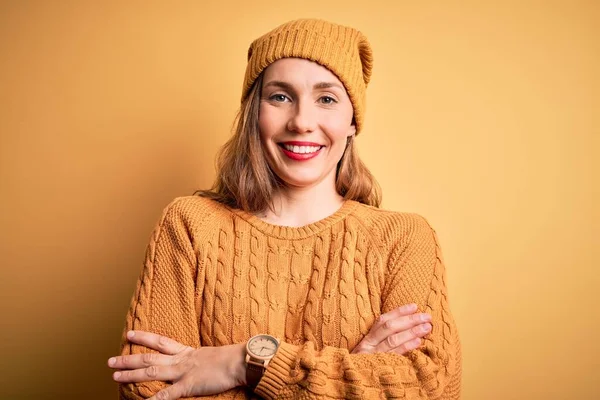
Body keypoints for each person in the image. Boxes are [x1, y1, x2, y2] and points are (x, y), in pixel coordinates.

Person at [107, 18, 462, 400]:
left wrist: (246, 362)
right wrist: (351, 375)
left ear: (352, 122)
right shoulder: (189, 225)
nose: (302, 122)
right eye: (280, 97)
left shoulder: (404, 238)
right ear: (253, 114)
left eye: (326, 99)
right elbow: (149, 389)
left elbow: (429, 388)